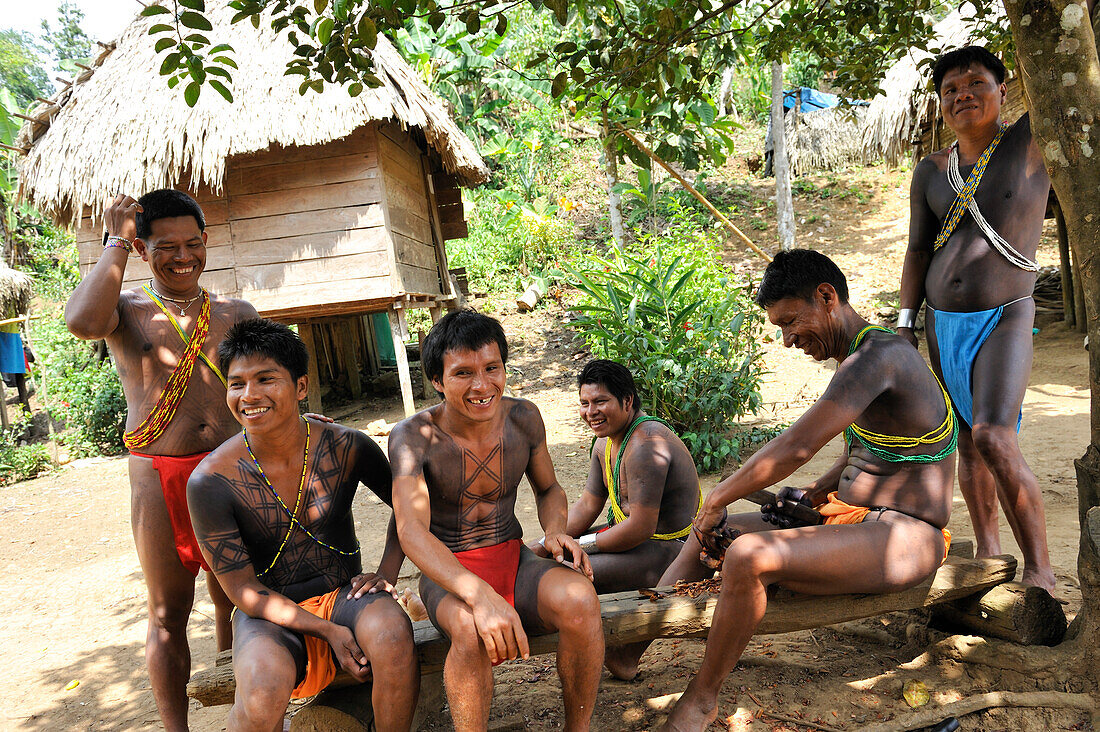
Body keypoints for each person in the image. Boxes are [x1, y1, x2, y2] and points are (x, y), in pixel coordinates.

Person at [615, 250, 957, 731]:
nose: (787, 339)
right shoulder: (859, 360)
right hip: (854, 520)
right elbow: (868, 451)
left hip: (907, 537)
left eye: (791, 322)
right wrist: (815, 494)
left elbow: (796, 445)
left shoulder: (879, 357)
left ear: (827, 296)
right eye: (779, 327)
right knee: (707, 531)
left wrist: (719, 496)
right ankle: (629, 647)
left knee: (747, 555)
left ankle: (701, 700)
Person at [64, 191, 258, 731]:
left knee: (240, 600)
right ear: (144, 252)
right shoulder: (126, 312)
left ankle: (244, 710)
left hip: (231, 469)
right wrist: (117, 241)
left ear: (206, 242)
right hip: (158, 474)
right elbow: (81, 321)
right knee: (169, 615)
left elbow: (272, 383)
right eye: (166, 246)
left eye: (193, 244)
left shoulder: (236, 313)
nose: (183, 256)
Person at [188, 318, 418, 731]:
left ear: (300, 387)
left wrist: (385, 574)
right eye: (236, 383)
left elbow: (410, 508)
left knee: (394, 635)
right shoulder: (211, 481)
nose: (249, 395)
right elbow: (244, 592)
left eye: (265, 379)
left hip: (346, 596)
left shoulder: (347, 447)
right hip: (267, 615)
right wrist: (325, 630)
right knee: (260, 687)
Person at [388, 309, 604, 732]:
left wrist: (556, 530)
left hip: (513, 557)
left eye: (492, 368)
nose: (482, 385)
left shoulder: (523, 418)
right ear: (436, 380)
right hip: (448, 570)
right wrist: (478, 593)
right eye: (463, 373)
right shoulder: (413, 436)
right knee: (468, 629)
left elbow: (549, 490)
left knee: (581, 601)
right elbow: (411, 530)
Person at [898, 46, 1055, 591]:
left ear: (1004, 90)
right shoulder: (931, 171)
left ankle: (1040, 569)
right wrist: (904, 325)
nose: (963, 95)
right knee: (966, 442)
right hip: (942, 322)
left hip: (1006, 314)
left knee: (994, 435)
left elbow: (1063, 64)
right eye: (950, 90)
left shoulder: (1029, 143)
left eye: (976, 83)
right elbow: (919, 251)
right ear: (940, 104)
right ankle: (989, 555)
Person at [531, 359, 700, 594]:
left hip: (669, 551)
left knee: (556, 575)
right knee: (536, 558)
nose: (591, 413)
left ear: (627, 400)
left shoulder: (646, 444)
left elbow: (641, 527)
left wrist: (578, 547)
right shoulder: (604, 442)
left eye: (600, 402)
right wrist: (548, 540)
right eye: (584, 403)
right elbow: (588, 505)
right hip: (634, 543)